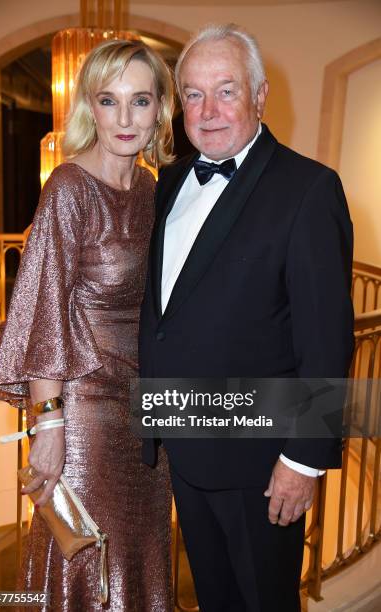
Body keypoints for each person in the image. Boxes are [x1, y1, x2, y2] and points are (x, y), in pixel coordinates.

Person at [139, 23, 354, 612]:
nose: (207, 111)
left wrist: (303, 458)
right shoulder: (170, 182)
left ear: (260, 96)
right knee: (214, 597)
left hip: (260, 463)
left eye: (226, 90)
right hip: (183, 445)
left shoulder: (309, 189)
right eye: (192, 94)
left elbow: (326, 340)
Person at [0, 39, 175, 611]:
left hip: (146, 409)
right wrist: (49, 427)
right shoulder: (68, 189)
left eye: (139, 101)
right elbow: (42, 311)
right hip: (85, 414)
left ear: (160, 110)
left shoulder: (152, 191)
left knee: (144, 550)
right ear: (89, 108)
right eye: (109, 100)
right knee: (91, 558)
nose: (124, 119)